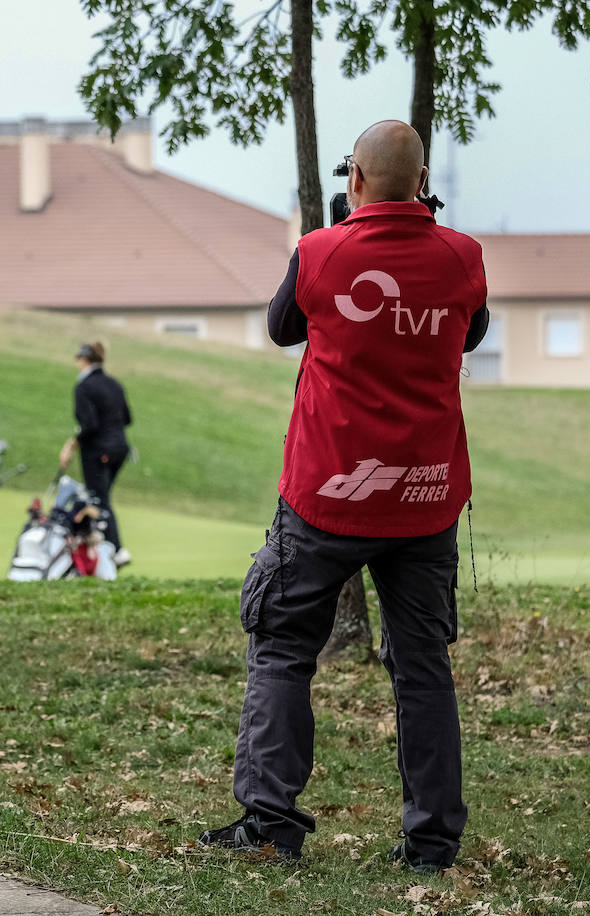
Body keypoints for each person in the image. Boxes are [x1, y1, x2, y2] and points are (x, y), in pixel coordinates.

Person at [198, 120, 491, 871]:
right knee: (422, 664)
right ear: (422, 183)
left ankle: (270, 823)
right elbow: (469, 334)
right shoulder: (463, 259)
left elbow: (279, 328)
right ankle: (430, 843)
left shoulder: (321, 255)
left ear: (354, 180)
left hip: (326, 495)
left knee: (282, 648)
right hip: (424, 499)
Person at [59, 341, 132, 568]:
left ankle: (117, 551)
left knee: (99, 500)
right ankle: (105, 548)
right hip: (120, 449)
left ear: (83, 359)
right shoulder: (115, 384)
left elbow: (88, 424)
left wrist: (72, 445)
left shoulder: (83, 387)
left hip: (98, 451)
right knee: (102, 499)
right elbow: (127, 418)